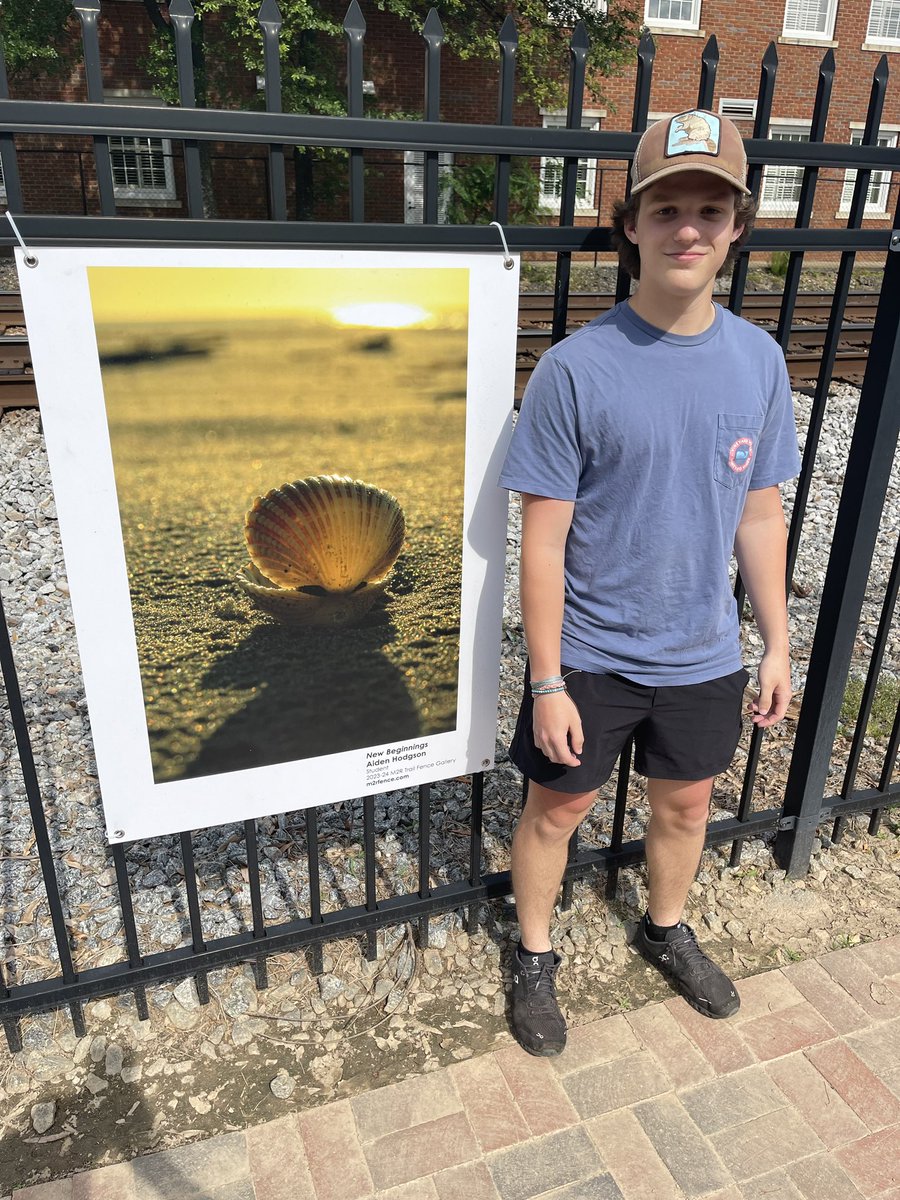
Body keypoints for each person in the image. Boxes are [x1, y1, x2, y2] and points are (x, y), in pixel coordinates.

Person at [498, 109, 801, 1057]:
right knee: (560, 809)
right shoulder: (575, 371)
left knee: (685, 806)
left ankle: (665, 928)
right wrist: (546, 680)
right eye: (667, 207)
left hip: (702, 651)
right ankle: (535, 954)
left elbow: (759, 515)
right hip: (590, 654)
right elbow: (540, 542)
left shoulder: (759, 361)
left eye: (710, 209)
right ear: (630, 222)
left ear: (737, 228)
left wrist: (778, 642)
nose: (688, 229)